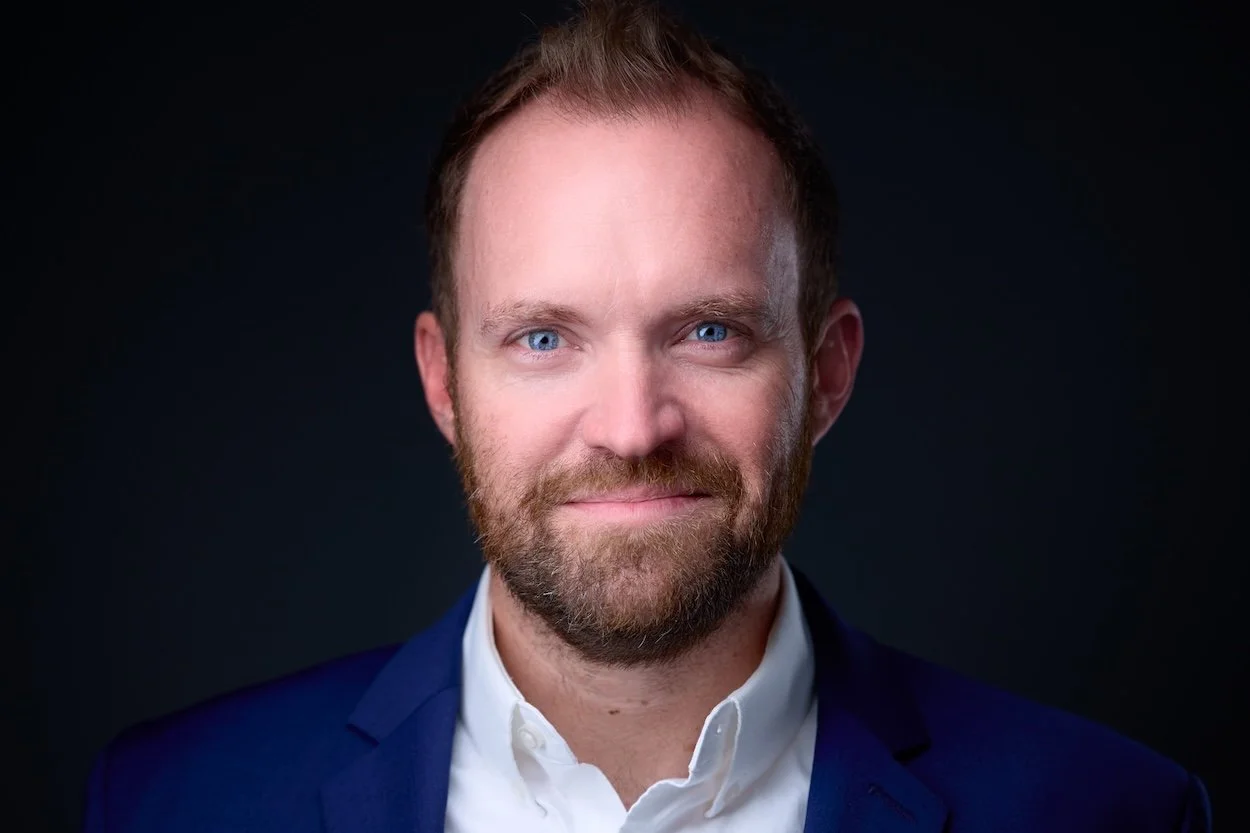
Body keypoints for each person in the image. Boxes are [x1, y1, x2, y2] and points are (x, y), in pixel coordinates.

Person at [83, 2, 1212, 831]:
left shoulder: (1107, 811)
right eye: (542, 338)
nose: (629, 425)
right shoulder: (169, 803)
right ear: (441, 382)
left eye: (708, 331)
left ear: (826, 373)